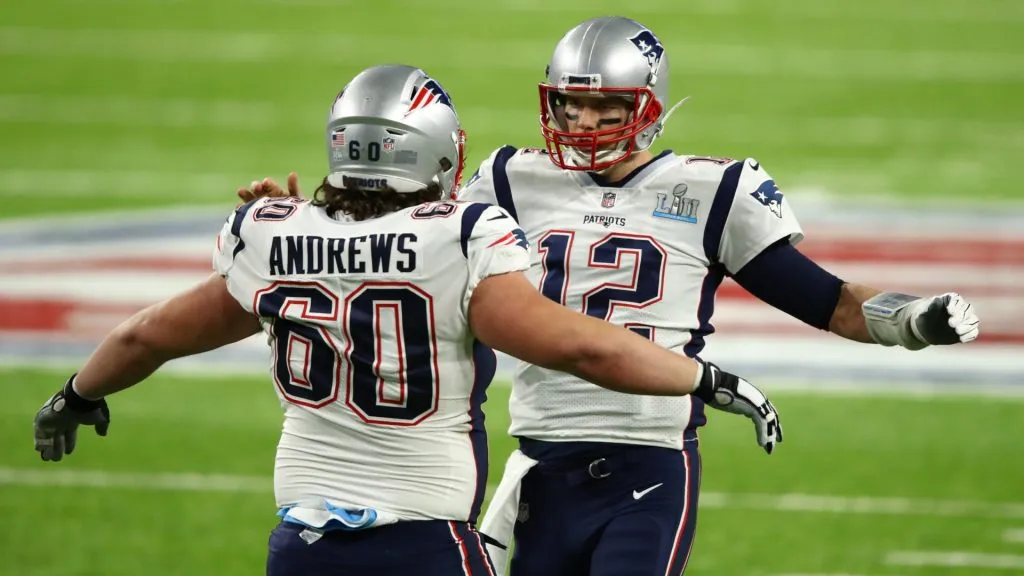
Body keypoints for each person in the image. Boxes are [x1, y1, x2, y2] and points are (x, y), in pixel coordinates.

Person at [32, 64, 781, 576]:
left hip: (299, 544)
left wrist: (77, 393)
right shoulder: (458, 238)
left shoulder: (266, 235)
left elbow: (146, 335)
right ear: (436, 153)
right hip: (424, 540)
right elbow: (586, 349)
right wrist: (704, 376)